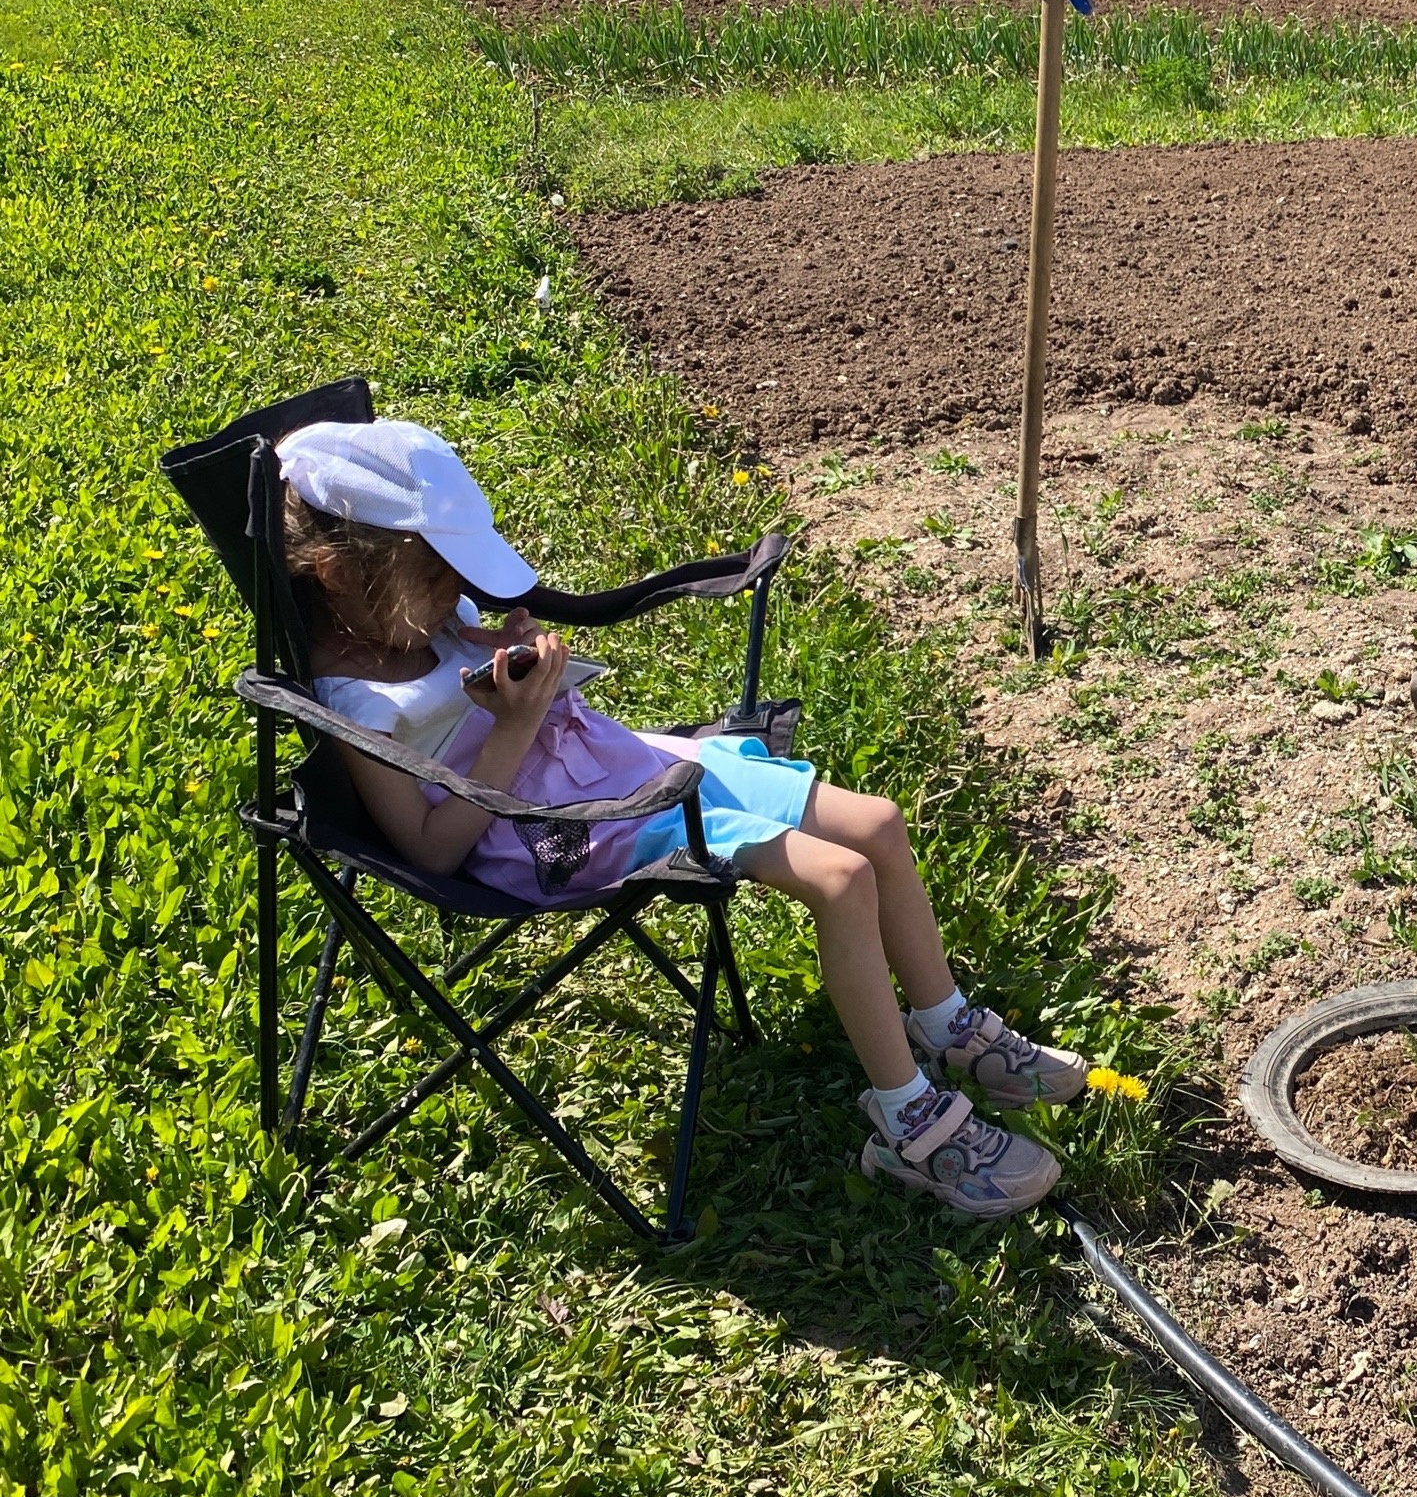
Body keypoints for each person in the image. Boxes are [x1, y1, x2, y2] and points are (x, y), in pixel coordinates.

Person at [273, 417, 1085, 1220]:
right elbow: (431, 848)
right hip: (562, 830)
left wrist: (508, 650)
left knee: (875, 822)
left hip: (608, 759)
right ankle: (904, 1120)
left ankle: (944, 1026)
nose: (460, 596)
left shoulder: (412, 614)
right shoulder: (358, 704)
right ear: (338, 574)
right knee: (840, 879)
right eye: (443, 580)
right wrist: (515, 725)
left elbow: (463, 650)